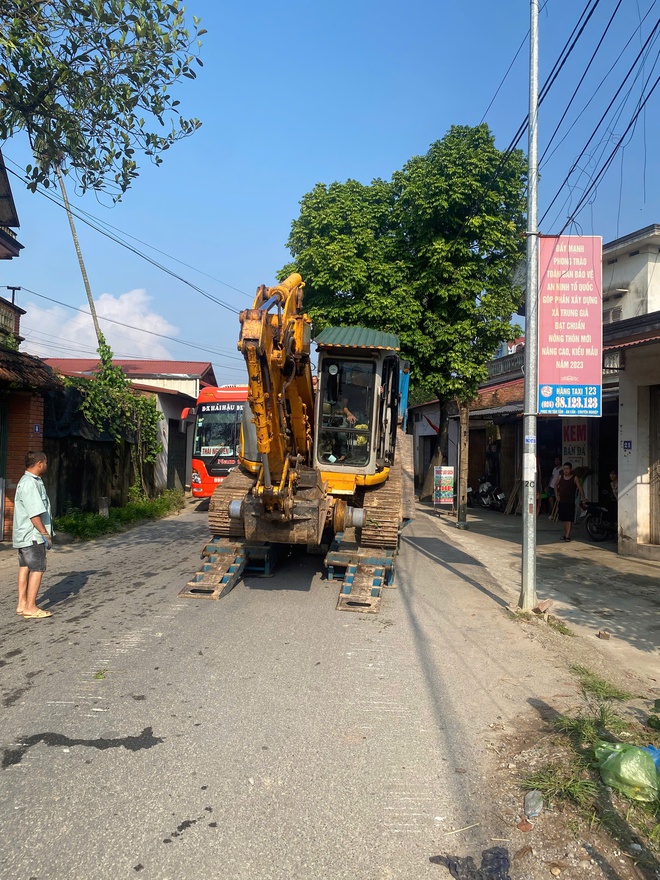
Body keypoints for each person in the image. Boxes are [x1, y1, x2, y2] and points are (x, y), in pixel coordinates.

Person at [13, 451, 53, 619]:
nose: (46, 465)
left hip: (24, 535)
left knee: (25, 567)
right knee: (38, 568)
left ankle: (22, 604)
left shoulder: (29, 481)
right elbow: (34, 514)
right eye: (45, 462)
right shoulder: (30, 483)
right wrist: (45, 533)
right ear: (39, 464)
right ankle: (30, 607)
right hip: (33, 535)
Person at [554, 461, 586, 542]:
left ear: (571, 469)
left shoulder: (574, 478)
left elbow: (580, 488)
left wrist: (583, 498)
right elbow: (555, 485)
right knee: (563, 518)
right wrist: (557, 495)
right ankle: (566, 533)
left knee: (569, 519)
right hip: (562, 501)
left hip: (570, 501)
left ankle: (568, 534)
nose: (566, 470)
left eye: (567, 469)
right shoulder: (560, 477)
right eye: (564, 469)